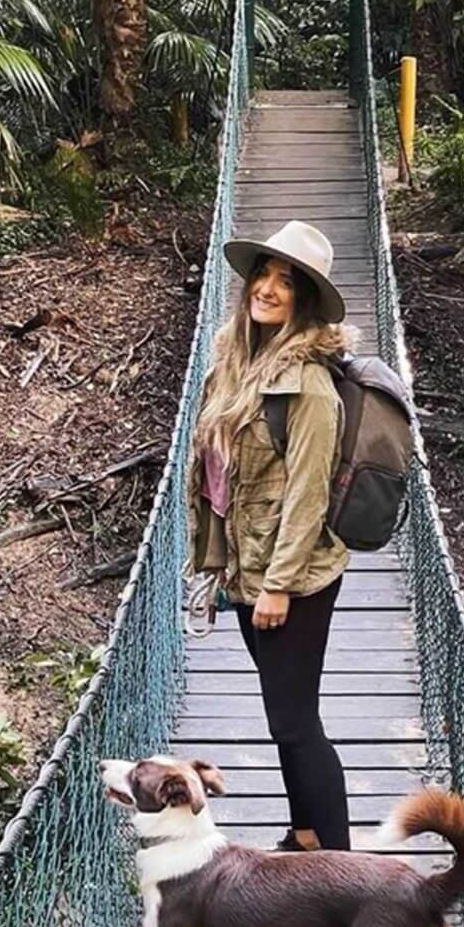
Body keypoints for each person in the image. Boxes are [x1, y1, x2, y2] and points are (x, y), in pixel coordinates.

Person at [188, 221, 352, 851]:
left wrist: (278, 588)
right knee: (283, 720)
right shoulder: (235, 362)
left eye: (288, 281)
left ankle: (344, 880)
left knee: (295, 721)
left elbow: (309, 497)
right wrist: (227, 569)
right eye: (265, 273)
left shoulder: (307, 385)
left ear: (306, 299)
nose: (269, 288)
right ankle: (307, 837)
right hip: (243, 569)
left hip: (292, 580)